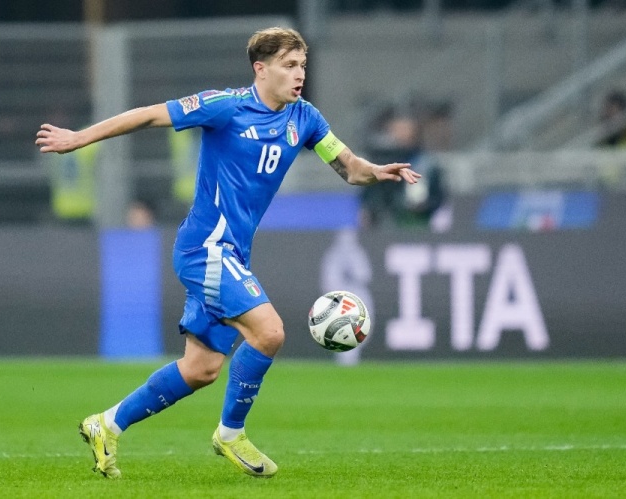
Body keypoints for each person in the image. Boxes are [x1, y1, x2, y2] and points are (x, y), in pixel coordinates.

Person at [35, 26, 419, 480]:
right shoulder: (225, 106)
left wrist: (377, 170)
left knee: (200, 369)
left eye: (302, 65)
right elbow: (149, 116)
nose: (300, 74)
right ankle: (230, 433)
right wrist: (80, 138)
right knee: (269, 332)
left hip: (232, 254)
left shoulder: (305, 118)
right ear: (261, 69)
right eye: (289, 65)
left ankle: (107, 424)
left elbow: (349, 168)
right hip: (205, 249)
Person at [359, 106, 445, 230]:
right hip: (387, 223)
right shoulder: (380, 161)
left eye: (406, 130)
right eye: (398, 130)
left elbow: (439, 196)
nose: (402, 134)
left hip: (420, 223)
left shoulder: (425, 163)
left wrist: (426, 205)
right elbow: (370, 193)